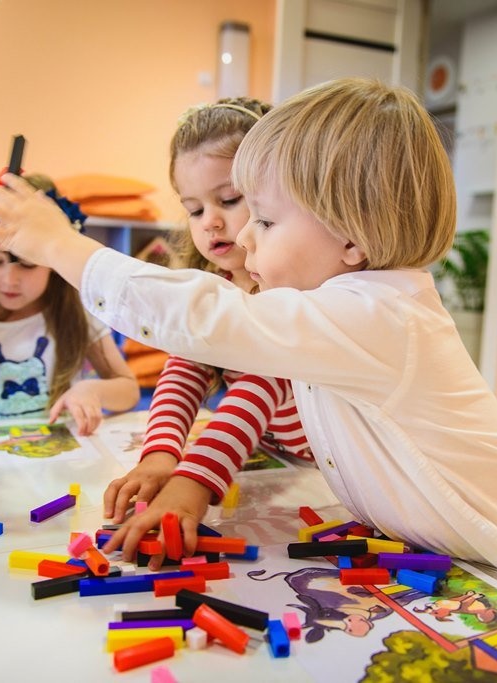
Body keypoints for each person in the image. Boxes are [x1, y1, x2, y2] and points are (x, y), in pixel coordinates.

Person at [0, 78, 497, 584]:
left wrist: (59, 245)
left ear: (351, 236)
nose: (238, 238)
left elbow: (207, 319)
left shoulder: (376, 315)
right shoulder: (339, 306)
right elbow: (201, 349)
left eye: (262, 219)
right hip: (444, 562)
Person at [102, 99, 313, 531]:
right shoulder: (217, 285)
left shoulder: (294, 289)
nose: (210, 222)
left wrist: (192, 483)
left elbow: (263, 379)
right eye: (195, 209)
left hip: (336, 474)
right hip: (286, 463)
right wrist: (161, 455)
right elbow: (184, 371)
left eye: (229, 200)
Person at [0, 174, 140, 438]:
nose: (9, 280)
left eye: (28, 264)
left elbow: (129, 390)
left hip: (64, 466)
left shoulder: (80, 318)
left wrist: (92, 391)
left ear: (53, 264)